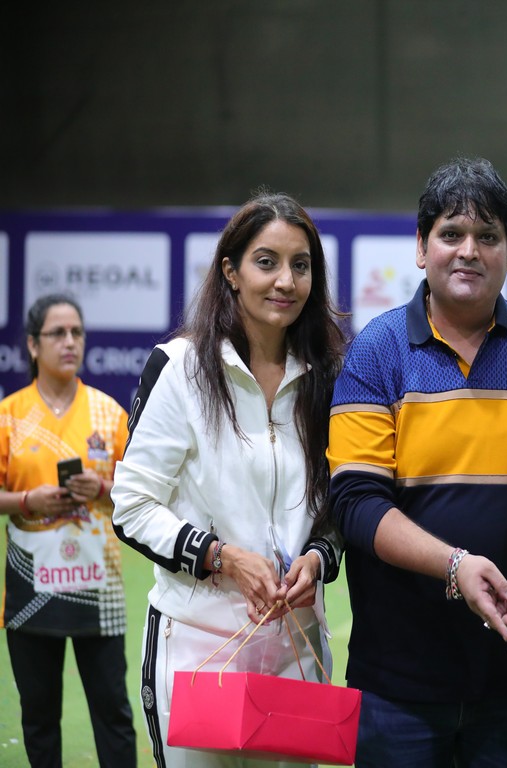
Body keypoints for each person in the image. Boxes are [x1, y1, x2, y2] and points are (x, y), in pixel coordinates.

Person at [326, 156, 507, 767]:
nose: (469, 251)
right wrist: (454, 565)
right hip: (398, 686)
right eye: (451, 233)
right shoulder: (376, 353)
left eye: (488, 236)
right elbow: (355, 503)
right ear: (421, 247)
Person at [111, 192, 346, 768]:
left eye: (300, 265)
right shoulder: (180, 369)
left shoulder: (331, 375)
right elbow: (132, 506)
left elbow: (341, 504)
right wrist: (222, 557)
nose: (285, 280)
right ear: (231, 272)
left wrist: (318, 559)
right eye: (266, 262)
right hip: (196, 646)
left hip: (295, 651)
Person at [0, 293, 137, 767]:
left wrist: (102, 487)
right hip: (30, 588)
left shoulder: (109, 413)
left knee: (114, 713)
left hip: (98, 587)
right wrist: (27, 501)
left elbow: (140, 492)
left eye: (77, 332)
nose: (70, 342)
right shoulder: (9, 415)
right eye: (57, 333)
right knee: (39, 717)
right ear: (32, 345)